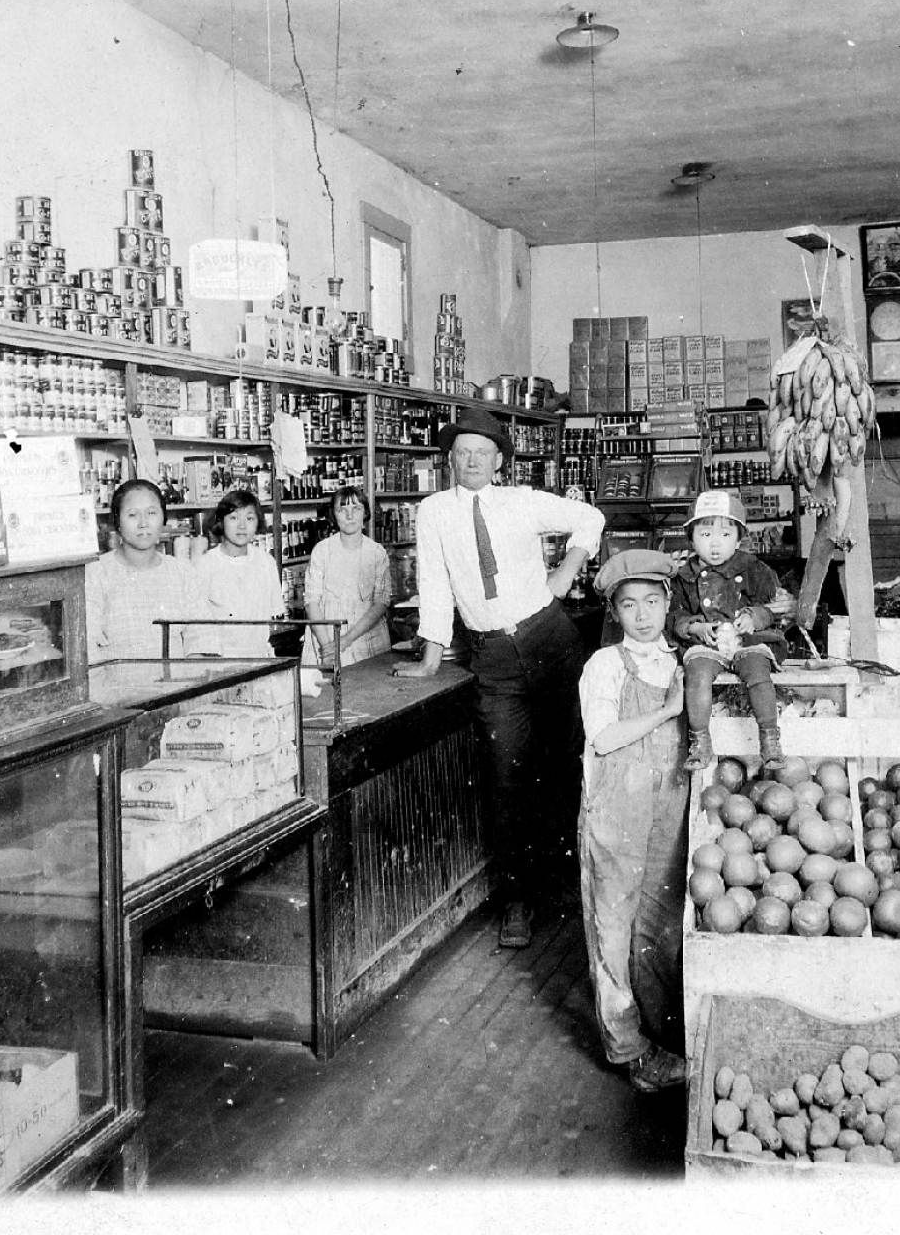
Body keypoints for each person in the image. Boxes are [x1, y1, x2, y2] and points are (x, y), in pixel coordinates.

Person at [395, 406, 604, 949]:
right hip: (493, 658)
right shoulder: (434, 511)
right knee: (506, 775)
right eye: (463, 452)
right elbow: (435, 585)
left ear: (500, 462)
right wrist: (430, 658)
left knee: (567, 761)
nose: (471, 461)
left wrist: (562, 575)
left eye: (482, 453)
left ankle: (572, 883)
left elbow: (591, 520)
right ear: (449, 459)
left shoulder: (521, 502)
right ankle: (518, 899)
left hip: (551, 641)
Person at [578, 549, 689, 1093]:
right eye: (629, 606)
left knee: (662, 926)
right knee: (614, 932)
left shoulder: (685, 663)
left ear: (669, 603)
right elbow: (603, 738)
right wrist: (669, 711)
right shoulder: (604, 666)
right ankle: (628, 1049)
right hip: (617, 814)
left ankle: (666, 1037)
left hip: (668, 808)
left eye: (652, 601)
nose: (642, 615)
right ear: (615, 613)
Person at [669, 489, 794, 774]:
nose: (715, 544)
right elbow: (674, 615)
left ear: (739, 539)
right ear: (691, 538)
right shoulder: (683, 576)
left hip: (747, 640)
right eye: (705, 535)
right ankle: (699, 740)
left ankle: (770, 738)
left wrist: (755, 617)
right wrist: (695, 626)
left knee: (757, 673)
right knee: (697, 675)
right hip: (708, 644)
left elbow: (774, 607)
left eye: (725, 535)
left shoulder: (753, 568)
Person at [85, 478, 209, 660]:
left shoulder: (182, 572)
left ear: (163, 518)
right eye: (132, 515)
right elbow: (87, 644)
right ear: (117, 521)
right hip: (114, 685)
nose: (143, 523)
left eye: (151, 513)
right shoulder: (96, 573)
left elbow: (201, 636)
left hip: (177, 684)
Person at [301, 485, 394, 667]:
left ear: (365, 513)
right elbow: (311, 602)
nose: (349, 516)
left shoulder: (377, 553)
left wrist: (345, 640)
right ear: (333, 515)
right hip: (324, 641)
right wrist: (327, 647)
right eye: (342, 510)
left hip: (366, 643)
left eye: (356, 509)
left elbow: (381, 603)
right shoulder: (322, 551)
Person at [194, 488, 286, 659]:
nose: (242, 526)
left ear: (258, 522)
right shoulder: (205, 565)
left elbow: (274, 614)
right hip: (220, 661)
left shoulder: (266, 562)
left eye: (249, 518)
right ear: (221, 521)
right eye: (234, 518)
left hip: (259, 659)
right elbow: (198, 628)